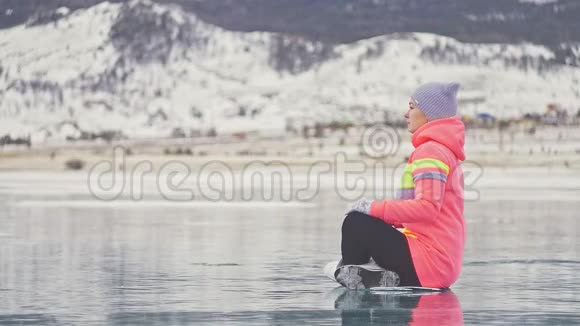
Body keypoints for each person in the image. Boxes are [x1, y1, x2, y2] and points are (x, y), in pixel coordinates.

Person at [336, 82, 466, 290]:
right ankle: (372, 272)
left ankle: (356, 275)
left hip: (429, 263)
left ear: (429, 114)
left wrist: (371, 207)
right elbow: (421, 214)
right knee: (365, 219)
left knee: (356, 223)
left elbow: (427, 208)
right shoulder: (442, 150)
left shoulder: (431, 151)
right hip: (439, 264)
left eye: (412, 107)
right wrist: (380, 216)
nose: (406, 114)